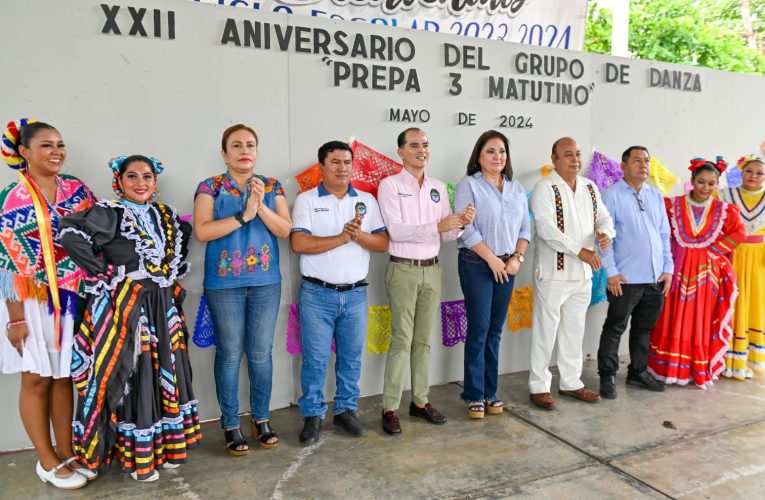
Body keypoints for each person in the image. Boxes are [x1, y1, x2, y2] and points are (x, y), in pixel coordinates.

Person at [61, 155, 201, 482]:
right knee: (133, 376)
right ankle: (141, 460)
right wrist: (106, 273)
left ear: (155, 182)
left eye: (147, 177)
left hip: (162, 305)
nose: (141, 183)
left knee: (167, 371)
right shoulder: (110, 212)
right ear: (119, 182)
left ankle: (165, 448)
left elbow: (175, 255)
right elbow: (70, 236)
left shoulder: (163, 214)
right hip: (130, 306)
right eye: (133, 177)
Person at [0, 119, 95, 490]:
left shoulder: (76, 190)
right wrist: (14, 319)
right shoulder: (14, 197)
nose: (56, 152)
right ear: (24, 152)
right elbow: (6, 265)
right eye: (46, 145)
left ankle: (66, 452)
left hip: (71, 299)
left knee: (64, 376)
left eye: (59, 144)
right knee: (37, 378)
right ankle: (46, 460)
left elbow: (96, 234)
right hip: (31, 300)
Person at [193, 124, 291, 456]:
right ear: (224, 153)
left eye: (250, 144)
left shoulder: (272, 185)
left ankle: (261, 419)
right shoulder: (210, 187)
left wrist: (259, 205)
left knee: (261, 354)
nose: (244, 150)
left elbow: (284, 230)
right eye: (236, 145)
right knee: (230, 354)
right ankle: (231, 423)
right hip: (224, 285)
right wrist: (243, 214)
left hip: (265, 283)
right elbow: (203, 232)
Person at [377, 128, 475, 434]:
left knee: (423, 341)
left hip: (432, 269)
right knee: (401, 339)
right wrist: (438, 225)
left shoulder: (437, 188)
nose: (422, 150)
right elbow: (396, 230)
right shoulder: (390, 186)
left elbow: (445, 235)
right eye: (415, 145)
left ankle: (420, 401)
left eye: (426, 145)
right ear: (401, 152)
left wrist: (460, 224)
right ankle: (389, 406)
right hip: (403, 269)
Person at [291, 141, 388, 445]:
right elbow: (300, 245)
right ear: (321, 167)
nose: (342, 168)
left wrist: (359, 236)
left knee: (350, 359)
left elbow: (383, 242)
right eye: (335, 162)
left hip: (356, 294)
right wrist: (343, 237)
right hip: (317, 295)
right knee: (316, 360)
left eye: (347, 162)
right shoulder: (307, 201)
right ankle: (313, 415)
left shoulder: (366, 202)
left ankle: (346, 411)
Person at [528, 137, 615, 410]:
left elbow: (604, 218)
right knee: (546, 331)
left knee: (574, 330)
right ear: (554, 159)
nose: (575, 159)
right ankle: (538, 386)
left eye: (577, 154)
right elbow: (546, 230)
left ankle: (571, 381)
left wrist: (605, 234)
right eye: (568, 155)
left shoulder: (589, 187)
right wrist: (581, 251)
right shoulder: (544, 188)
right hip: (554, 273)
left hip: (583, 275)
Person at [647, 158, 746, 388]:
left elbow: (739, 232)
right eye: (701, 182)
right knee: (670, 315)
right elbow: (660, 230)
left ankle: (694, 367)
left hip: (705, 272)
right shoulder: (672, 205)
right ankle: (666, 366)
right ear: (692, 181)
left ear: (717, 184)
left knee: (699, 317)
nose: (706, 188)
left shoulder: (724, 210)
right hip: (677, 268)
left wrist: (715, 250)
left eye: (711, 184)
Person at [454, 130, 530, 419]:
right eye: (490, 151)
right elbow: (465, 228)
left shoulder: (516, 188)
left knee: (495, 331)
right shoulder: (468, 185)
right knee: (479, 328)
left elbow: (525, 229)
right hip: (477, 264)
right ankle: (473, 394)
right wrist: (492, 261)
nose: (497, 157)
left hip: (509, 265)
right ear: (479, 156)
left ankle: (490, 392)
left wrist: (516, 259)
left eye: (502, 151)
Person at [597, 146, 674, 399]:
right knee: (615, 327)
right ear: (623, 165)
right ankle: (607, 376)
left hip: (654, 278)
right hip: (625, 279)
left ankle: (637, 372)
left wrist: (668, 268)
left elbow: (664, 235)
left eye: (647, 161)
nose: (643, 165)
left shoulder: (655, 195)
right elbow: (602, 238)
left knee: (644, 328)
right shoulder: (611, 195)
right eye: (637, 160)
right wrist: (611, 272)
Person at [720, 155, 765, 379]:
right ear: (741, 172)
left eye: (759, 173)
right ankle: (722, 358)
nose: (753, 176)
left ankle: (743, 359)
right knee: (730, 303)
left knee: (752, 305)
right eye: (749, 171)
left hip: (758, 260)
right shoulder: (726, 195)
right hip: (730, 255)